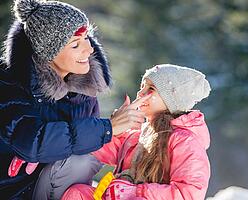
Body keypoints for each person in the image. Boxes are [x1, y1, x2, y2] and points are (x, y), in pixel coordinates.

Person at [0, 0, 150, 199]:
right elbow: (32, 141)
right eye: (75, 44)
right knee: (82, 160)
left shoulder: (83, 91)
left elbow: (84, 144)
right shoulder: (9, 84)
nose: (88, 50)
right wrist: (107, 127)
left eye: (87, 38)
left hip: (47, 184)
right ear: (47, 54)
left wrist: (122, 135)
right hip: (12, 191)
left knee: (86, 158)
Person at [62, 64, 212, 200]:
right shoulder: (138, 134)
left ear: (171, 100)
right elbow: (102, 149)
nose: (140, 93)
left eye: (150, 89)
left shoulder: (185, 141)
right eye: (142, 87)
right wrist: (112, 127)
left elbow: (188, 193)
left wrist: (136, 192)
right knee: (78, 193)